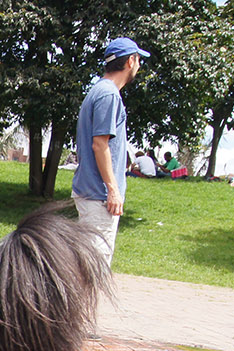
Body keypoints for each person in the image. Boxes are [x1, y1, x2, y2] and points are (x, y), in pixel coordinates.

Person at [72, 36, 149, 266]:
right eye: (138, 60)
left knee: (88, 265)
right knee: (94, 268)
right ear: (130, 61)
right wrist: (113, 190)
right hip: (99, 196)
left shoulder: (99, 91)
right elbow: (100, 144)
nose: (138, 66)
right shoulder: (109, 94)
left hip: (93, 193)